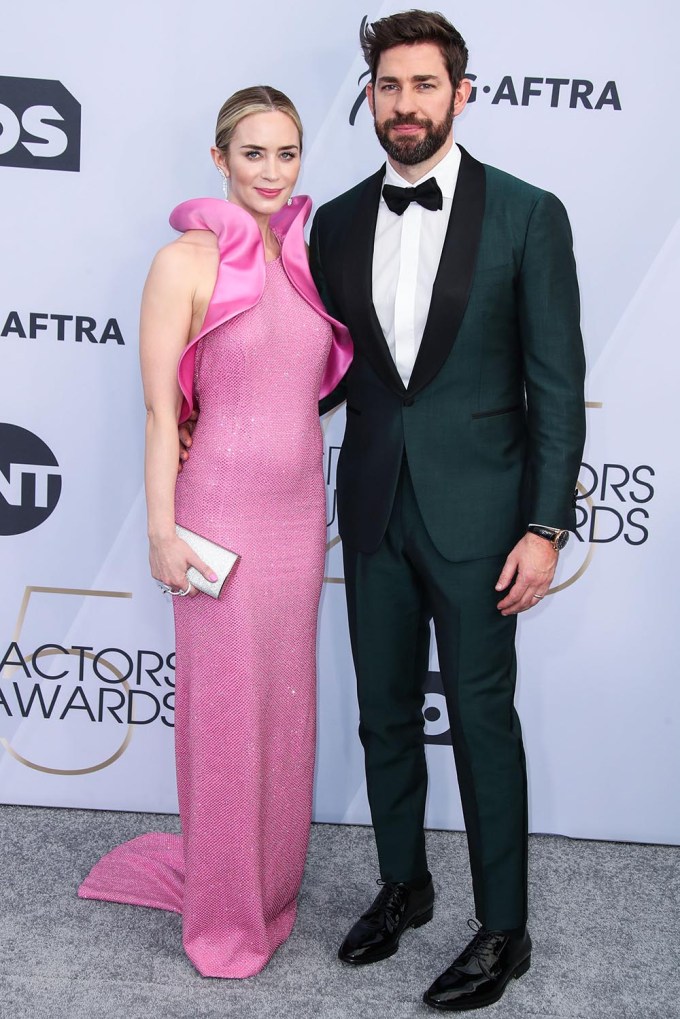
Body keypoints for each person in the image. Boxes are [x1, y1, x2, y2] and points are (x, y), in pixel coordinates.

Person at [308, 11, 586, 1012]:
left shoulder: (525, 213)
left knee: (477, 721)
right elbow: (329, 371)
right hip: (373, 503)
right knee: (382, 710)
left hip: (482, 519)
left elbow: (555, 384)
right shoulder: (333, 220)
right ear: (370, 96)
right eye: (389, 86)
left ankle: (502, 928)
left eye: (424, 86)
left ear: (460, 94)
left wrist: (544, 525)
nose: (405, 105)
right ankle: (404, 883)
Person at [77, 86, 352, 979]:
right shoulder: (183, 262)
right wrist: (162, 529)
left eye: (287, 154)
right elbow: (163, 414)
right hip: (218, 519)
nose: (271, 172)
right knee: (226, 720)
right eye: (253, 154)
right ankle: (226, 919)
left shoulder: (307, 259)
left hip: (299, 518)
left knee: (286, 713)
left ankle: (268, 895)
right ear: (219, 159)